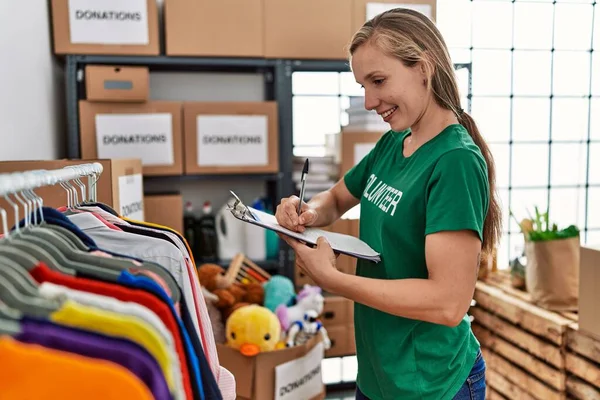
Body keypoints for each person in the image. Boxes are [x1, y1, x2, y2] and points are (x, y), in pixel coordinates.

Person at [275, 8, 502, 400]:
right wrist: (306, 210)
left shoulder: (454, 162)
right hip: (379, 377)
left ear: (424, 68)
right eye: (363, 85)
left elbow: (449, 303)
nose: (368, 101)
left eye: (378, 81)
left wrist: (335, 281)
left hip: (430, 384)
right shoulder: (394, 143)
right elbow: (336, 198)